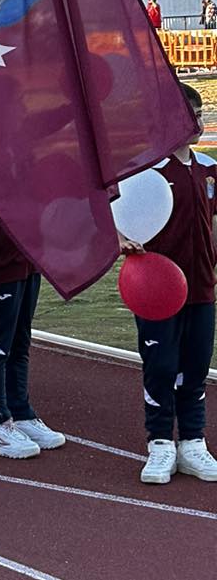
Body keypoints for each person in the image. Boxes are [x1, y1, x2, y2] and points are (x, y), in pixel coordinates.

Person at [123, 84, 217, 484]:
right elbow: (116, 220)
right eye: (189, 114)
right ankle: (160, 442)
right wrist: (121, 241)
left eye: (199, 114)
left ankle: (193, 442)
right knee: (161, 367)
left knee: (196, 367)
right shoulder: (145, 175)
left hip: (202, 290)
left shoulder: (209, 168)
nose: (197, 121)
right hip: (159, 293)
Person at [0, 181, 66, 459]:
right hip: (0, 267)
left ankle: (20, 411)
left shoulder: (23, 159)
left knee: (20, 343)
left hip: (28, 263)